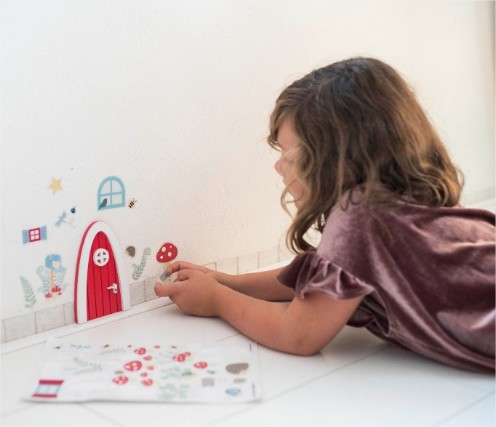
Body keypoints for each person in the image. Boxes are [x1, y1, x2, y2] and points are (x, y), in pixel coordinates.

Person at [155, 57, 495, 373]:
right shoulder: (392, 202)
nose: (279, 167)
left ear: (336, 159)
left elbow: (298, 334)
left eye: (288, 155)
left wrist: (217, 300)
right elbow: (321, 278)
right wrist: (228, 281)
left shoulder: (360, 216)